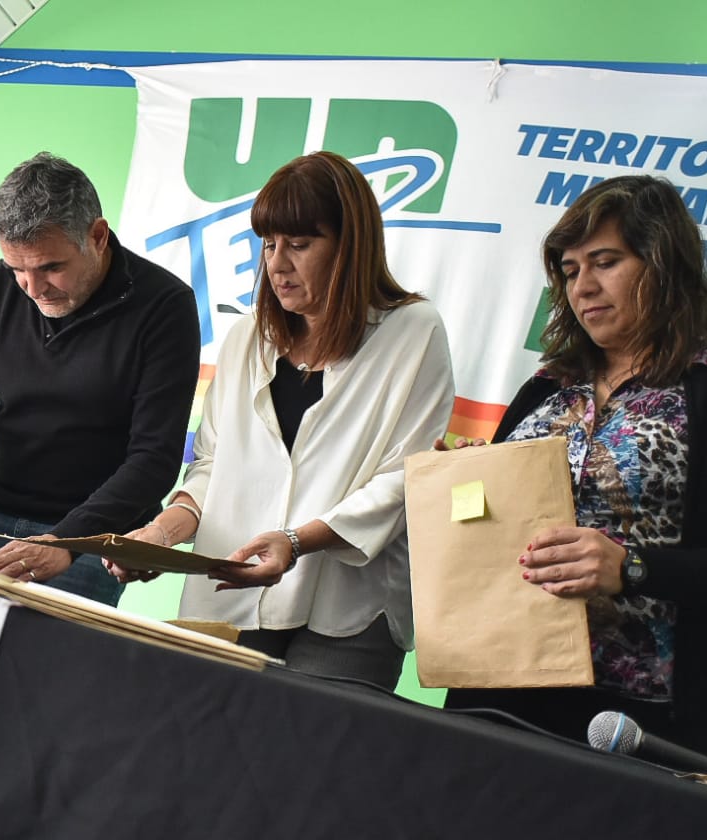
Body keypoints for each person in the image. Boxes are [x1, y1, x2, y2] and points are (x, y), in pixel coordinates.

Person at [442, 174, 707, 756]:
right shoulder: (548, 385)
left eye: (605, 261)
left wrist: (636, 569)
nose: (583, 287)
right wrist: (467, 494)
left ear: (664, 262)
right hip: (496, 683)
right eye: (570, 271)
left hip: (635, 720)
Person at [110, 151, 454, 688]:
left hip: (348, 610)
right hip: (231, 590)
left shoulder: (414, 331)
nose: (276, 263)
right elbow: (211, 465)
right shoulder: (248, 335)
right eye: (268, 244)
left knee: (317, 762)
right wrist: (159, 533)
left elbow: (405, 479)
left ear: (350, 244)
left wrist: (297, 541)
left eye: (299, 244)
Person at [0, 153, 200, 606]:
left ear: (98, 236)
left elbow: (154, 458)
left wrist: (65, 541)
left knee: (49, 670)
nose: (33, 288)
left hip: (93, 539)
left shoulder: (165, 307)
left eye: (51, 268)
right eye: (17, 269)